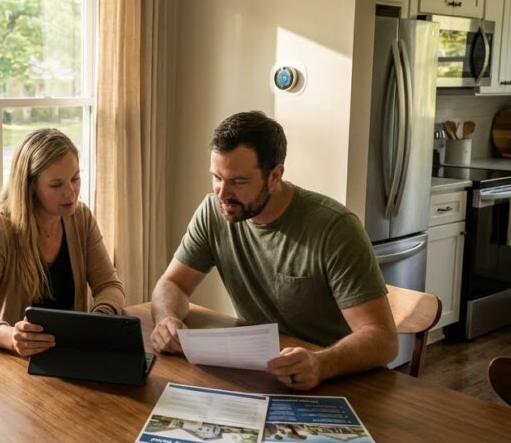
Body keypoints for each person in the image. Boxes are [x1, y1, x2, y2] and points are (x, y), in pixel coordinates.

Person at [150, 111, 397, 390]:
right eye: (217, 177)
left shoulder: (335, 228)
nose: (222, 193)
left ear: (275, 175)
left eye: (238, 182)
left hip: (339, 379)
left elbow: (383, 339)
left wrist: (320, 364)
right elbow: (172, 284)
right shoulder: (213, 212)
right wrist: (167, 318)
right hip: (266, 375)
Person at [0, 128, 125, 356]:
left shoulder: (81, 218)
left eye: (75, 179)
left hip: (59, 355)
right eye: (56, 185)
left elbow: (109, 286)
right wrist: (10, 336)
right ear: (30, 186)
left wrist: (99, 319)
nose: (71, 193)